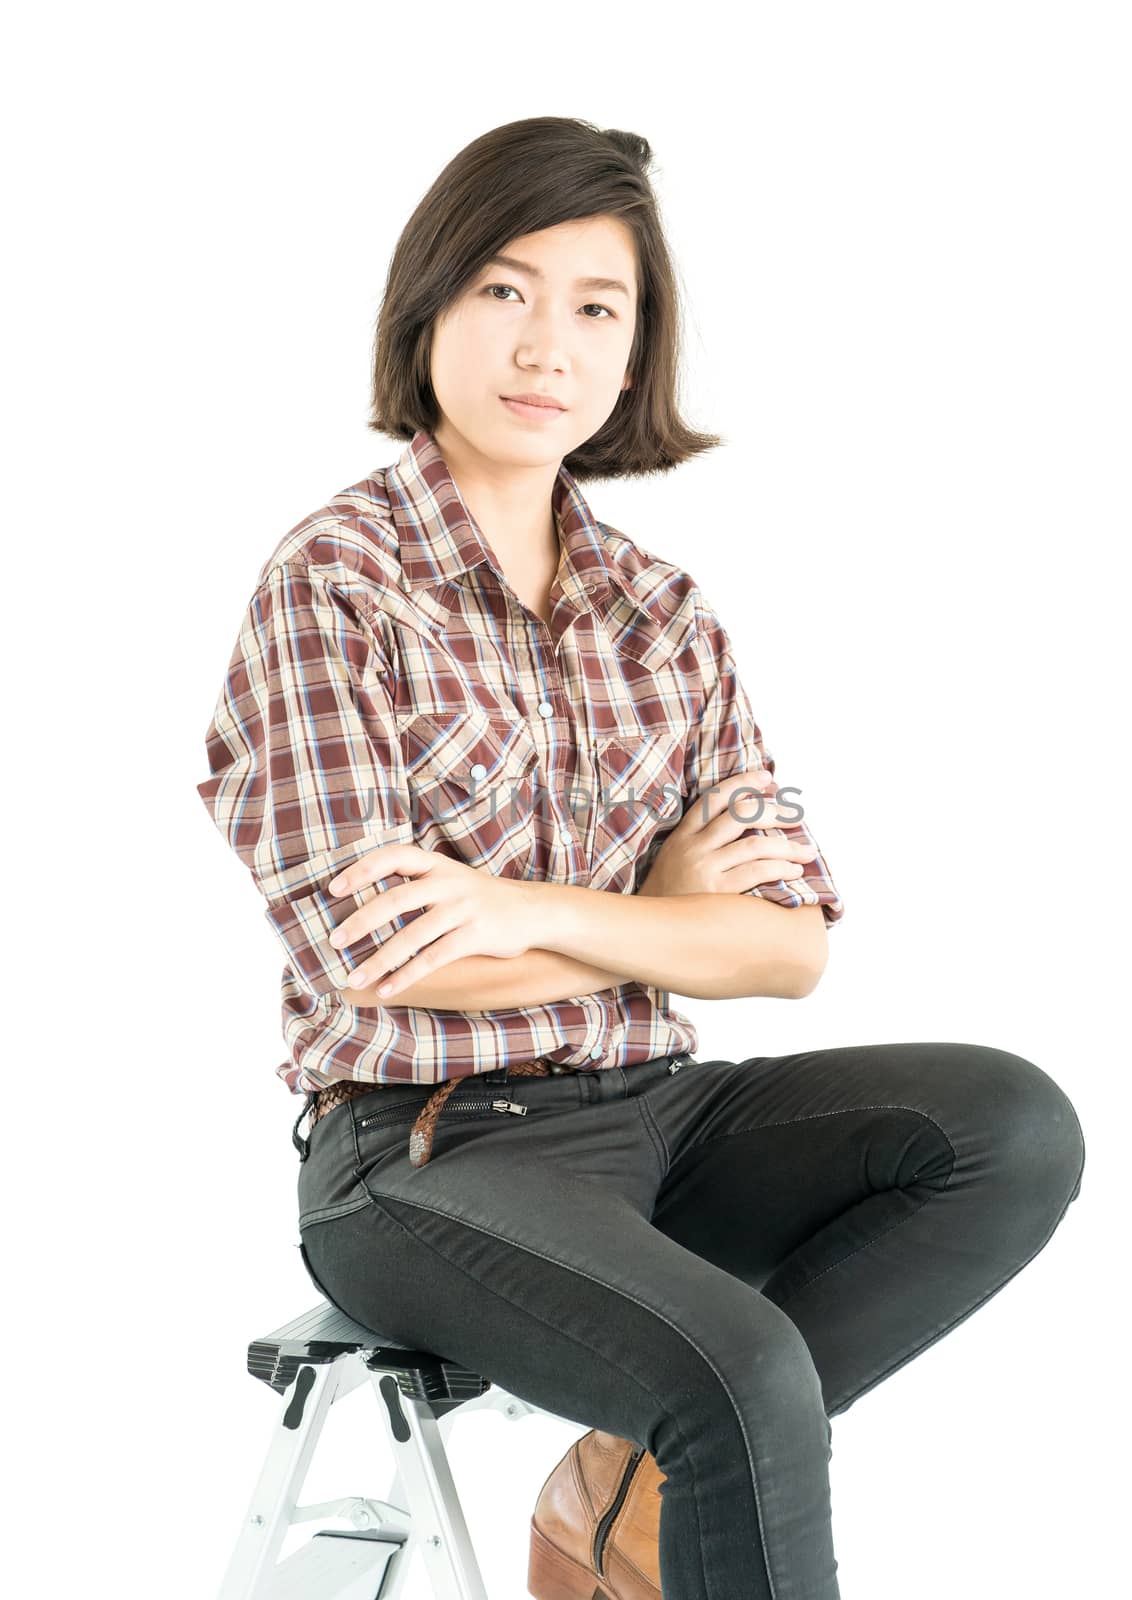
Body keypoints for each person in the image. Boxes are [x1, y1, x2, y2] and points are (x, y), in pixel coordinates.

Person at [195, 116, 1086, 1600]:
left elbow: (787, 949)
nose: (547, 342)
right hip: (420, 1150)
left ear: (633, 356)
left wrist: (553, 913)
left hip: (655, 1115)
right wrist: (660, 911)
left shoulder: (662, 613)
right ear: (426, 310)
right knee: (740, 1370)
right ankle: (686, 1453)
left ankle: (621, 1480)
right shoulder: (333, 586)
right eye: (502, 289)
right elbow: (399, 961)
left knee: (1008, 1128)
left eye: (595, 308)